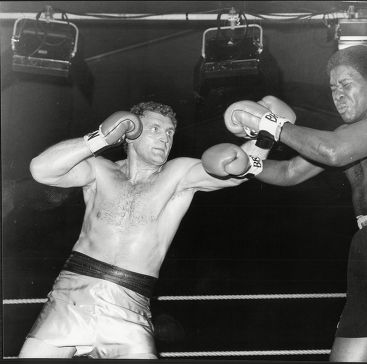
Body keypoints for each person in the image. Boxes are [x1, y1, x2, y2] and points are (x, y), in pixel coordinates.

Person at [204, 45, 367, 362]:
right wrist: (245, 166)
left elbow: (333, 152)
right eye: (333, 88)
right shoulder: (343, 133)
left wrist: (272, 125)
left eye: (346, 84)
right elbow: (291, 172)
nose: (337, 95)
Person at [19, 98, 296, 359]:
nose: (165, 137)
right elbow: (41, 169)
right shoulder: (99, 171)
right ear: (130, 133)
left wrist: (266, 134)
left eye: (170, 132)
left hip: (129, 309)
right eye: (155, 128)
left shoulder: (177, 173)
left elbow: (235, 172)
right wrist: (101, 138)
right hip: (70, 300)